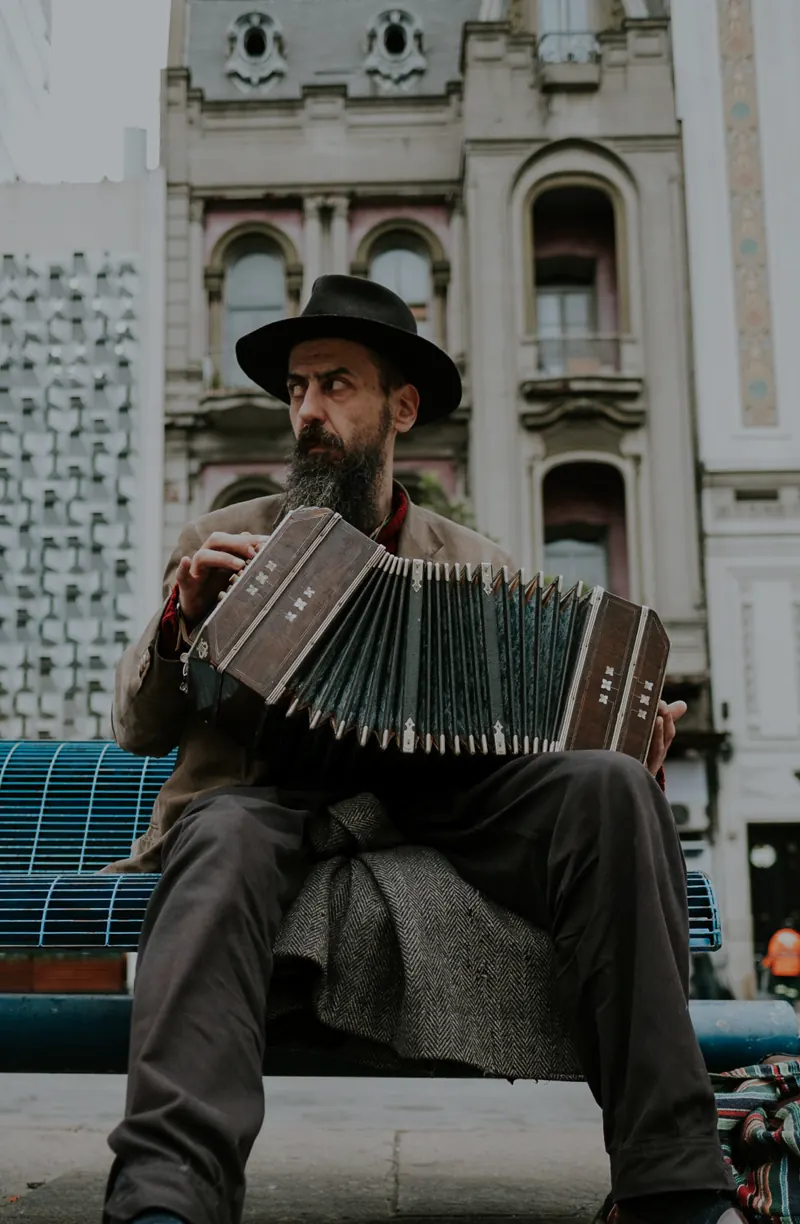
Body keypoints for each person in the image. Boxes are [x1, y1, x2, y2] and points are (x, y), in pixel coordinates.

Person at [103, 276, 742, 1224]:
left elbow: (533, 739)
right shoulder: (223, 542)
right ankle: (165, 1200)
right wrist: (179, 624)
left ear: (401, 408)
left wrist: (625, 747)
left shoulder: (474, 566)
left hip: (439, 802)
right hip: (271, 795)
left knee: (608, 786)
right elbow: (139, 726)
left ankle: (675, 1184)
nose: (308, 411)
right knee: (220, 837)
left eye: (336, 385)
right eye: (296, 390)